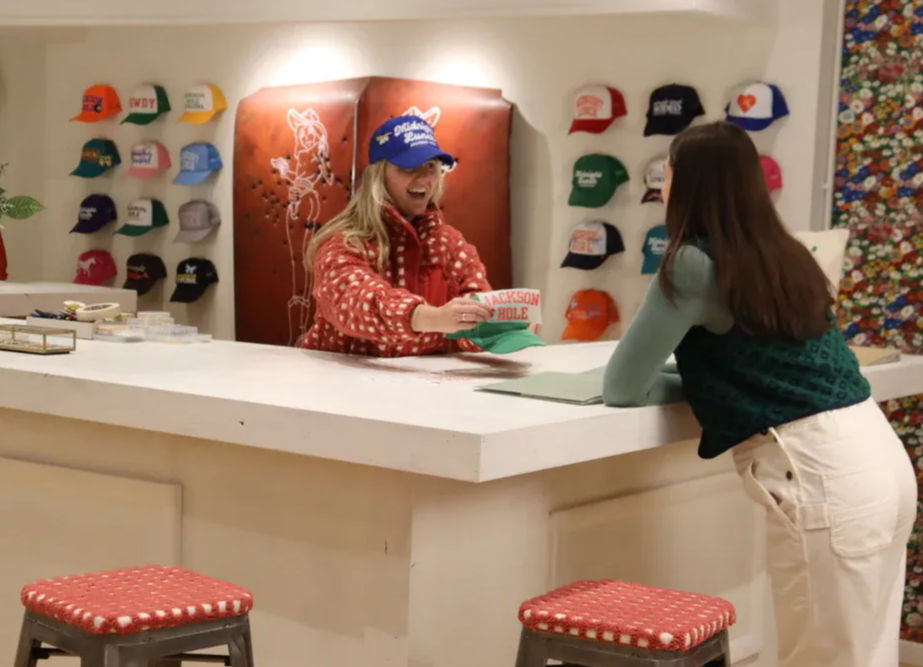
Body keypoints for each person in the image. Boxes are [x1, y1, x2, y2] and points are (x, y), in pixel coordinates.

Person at [602, 121, 916, 666]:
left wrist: (678, 382)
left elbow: (622, 386)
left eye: (667, 172)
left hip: (821, 473)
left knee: (822, 657)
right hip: (878, 459)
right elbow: (762, 368)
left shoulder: (690, 264)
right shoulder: (786, 255)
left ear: (685, 181)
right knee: (864, 653)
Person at [303, 115, 493, 356]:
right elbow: (355, 303)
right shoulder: (343, 243)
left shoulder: (450, 244)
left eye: (431, 166)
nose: (424, 179)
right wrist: (430, 318)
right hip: (344, 387)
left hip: (425, 388)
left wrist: (498, 325)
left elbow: (474, 318)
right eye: (409, 167)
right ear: (378, 175)